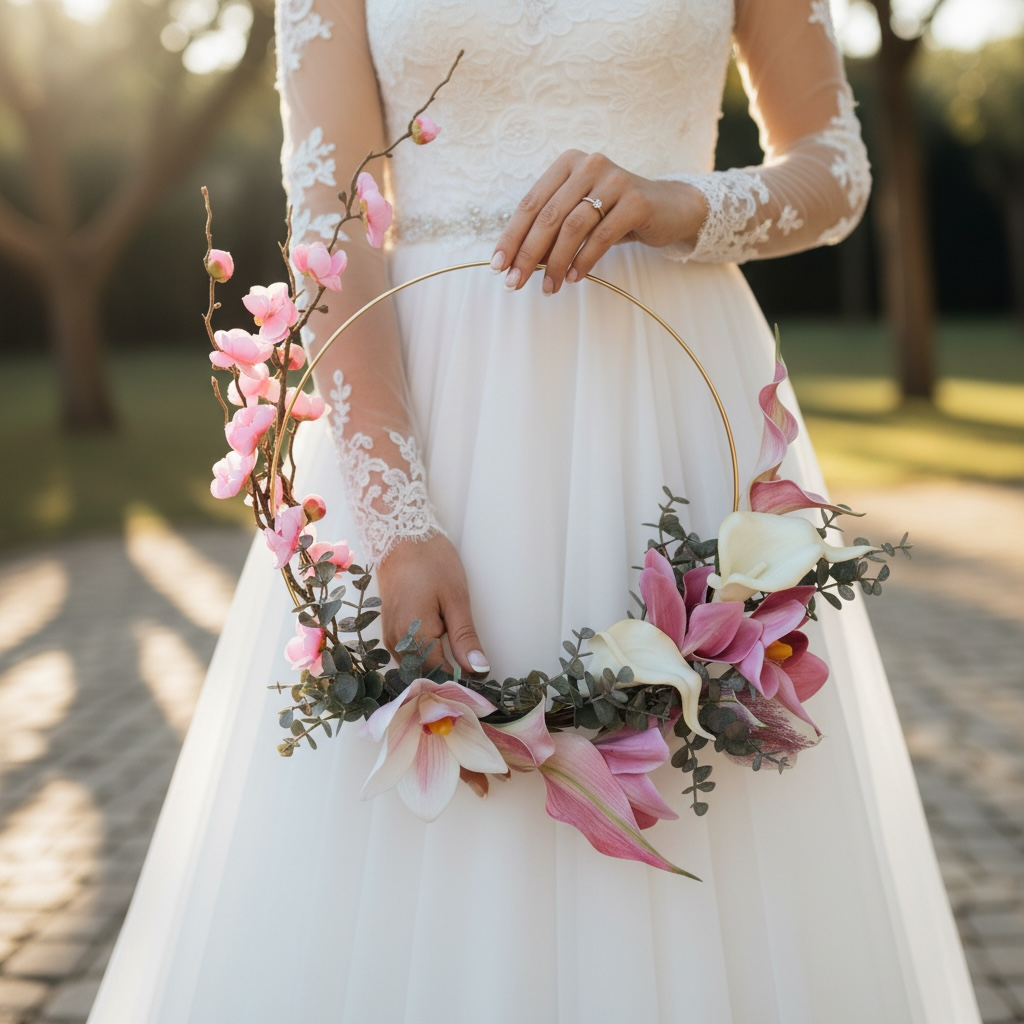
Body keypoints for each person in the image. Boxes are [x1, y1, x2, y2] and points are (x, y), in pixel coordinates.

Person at [87, 1, 982, 1021]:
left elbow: (833, 171)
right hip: (436, 410)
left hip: (673, 403)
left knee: (699, 791)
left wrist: (673, 201)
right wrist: (394, 509)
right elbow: (332, 210)